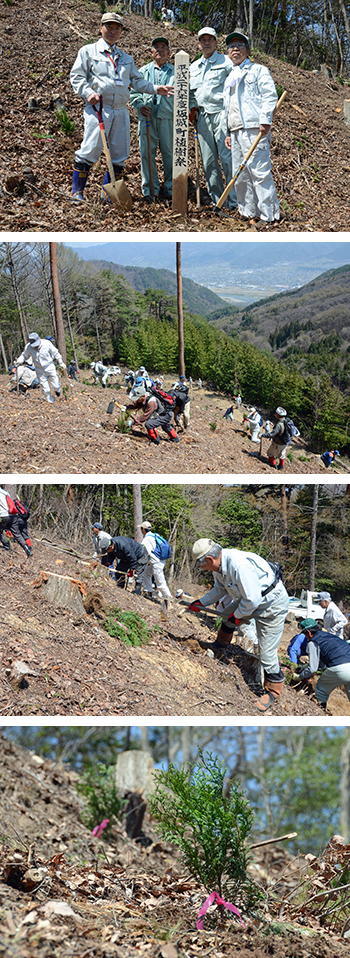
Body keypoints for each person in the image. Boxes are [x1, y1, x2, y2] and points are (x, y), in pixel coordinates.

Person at [70, 12, 174, 202]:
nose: (113, 31)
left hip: (120, 110)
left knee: (119, 153)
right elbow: (76, 77)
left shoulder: (125, 58)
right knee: (90, 150)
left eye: (117, 28)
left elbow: (137, 81)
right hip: (99, 108)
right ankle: (77, 193)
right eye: (109, 26)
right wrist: (87, 93)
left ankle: (107, 195)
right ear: (100, 27)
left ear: (120, 32)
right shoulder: (88, 51)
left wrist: (156, 88)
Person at [188, 539, 289, 711]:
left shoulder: (239, 566)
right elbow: (220, 589)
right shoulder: (219, 566)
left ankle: (273, 691)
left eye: (201, 565)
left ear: (210, 560)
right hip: (250, 599)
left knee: (266, 652)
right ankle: (220, 646)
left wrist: (239, 615)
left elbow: (253, 599)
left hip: (271, 606)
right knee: (227, 617)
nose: (202, 569)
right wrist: (201, 602)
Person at [224, 30, 280, 223]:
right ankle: (248, 212)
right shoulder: (230, 76)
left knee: (259, 173)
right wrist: (228, 132)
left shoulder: (258, 70)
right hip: (237, 130)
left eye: (239, 45)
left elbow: (269, 95)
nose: (235, 49)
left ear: (247, 50)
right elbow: (228, 106)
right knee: (240, 175)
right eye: (231, 46)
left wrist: (265, 120)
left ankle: (270, 215)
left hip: (255, 129)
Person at [189, 28, 237, 209]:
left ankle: (234, 201)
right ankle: (219, 201)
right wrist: (190, 110)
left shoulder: (226, 62)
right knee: (208, 161)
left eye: (210, 40)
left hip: (222, 114)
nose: (207, 43)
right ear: (198, 43)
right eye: (203, 40)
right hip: (201, 117)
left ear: (216, 43)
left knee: (227, 158)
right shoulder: (193, 67)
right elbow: (189, 93)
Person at [130, 38, 174, 204]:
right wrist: (140, 105)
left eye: (163, 47)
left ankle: (170, 188)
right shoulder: (142, 71)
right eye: (156, 47)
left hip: (167, 118)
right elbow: (134, 94)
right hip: (147, 118)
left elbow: (185, 95)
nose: (160, 50)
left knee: (169, 153)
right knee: (147, 153)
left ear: (169, 52)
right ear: (151, 52)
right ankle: (150, 190)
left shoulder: (176, 72)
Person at [296, 618, 350, 709]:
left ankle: (320, 713)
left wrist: (300, 676)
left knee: (321, 690)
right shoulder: (328, 636)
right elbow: (320, 662)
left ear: (308, 632)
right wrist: (306, 666)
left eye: (305, 634)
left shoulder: (313, 642)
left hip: (340, 667)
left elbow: (313, 668)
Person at [16, 333, 66, 404]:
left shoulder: (47, 343)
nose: (36, 346)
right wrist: (19, 361)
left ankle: (57, 390)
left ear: (39, 338)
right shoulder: (28, 347)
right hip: (39, 369)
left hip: (49, 366)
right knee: (45, 388)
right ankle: (51, 402)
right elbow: (24, 356)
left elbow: (56, 353)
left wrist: (61, 362)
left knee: (55, 384)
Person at [140, 520, 173, 605]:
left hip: (156, 563)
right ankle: (148, 591)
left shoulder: (147, 539)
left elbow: (144, 552)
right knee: (146, 573)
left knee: (160, 583)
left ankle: (170, 601)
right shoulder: (155, 535)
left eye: (141, 528)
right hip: (161, 561)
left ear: (143, 529)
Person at [0, 487, 32, 557]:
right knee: (17, 534)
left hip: (4, 515)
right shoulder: (6, 492)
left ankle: (6, 544)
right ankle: (27, 548)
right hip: (14, 516)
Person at [264, 406, 290, 470]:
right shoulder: (287, 421)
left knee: (270, 453)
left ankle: (273, 466)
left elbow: (272, 434)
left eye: (276, 413)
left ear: (278, 415)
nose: (275, 414)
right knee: (282, 455)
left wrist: (263, 435)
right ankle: (281, 467)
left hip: (278, 443)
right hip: (285, 442)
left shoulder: (279, 424)